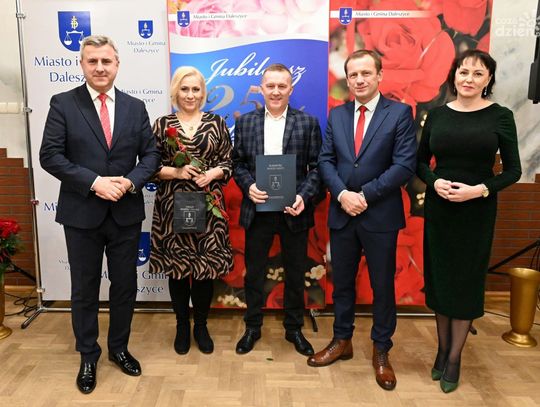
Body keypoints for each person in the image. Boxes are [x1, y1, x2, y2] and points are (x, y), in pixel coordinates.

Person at [39, 35, 160, 394]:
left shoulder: (135, 107)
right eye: (92, 61)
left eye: (106, 61)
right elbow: (50, 155)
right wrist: (94, 183)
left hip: (125, 213)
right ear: (82, 65)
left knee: (124, 286)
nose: (100, 67)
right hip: (82, 214)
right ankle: (88, 355)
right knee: (85, 288)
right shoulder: (63, 103)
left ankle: (119, 348)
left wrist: (130, 182)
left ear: (117, 64)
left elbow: (151, 156)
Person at [309, 50, 417, 391]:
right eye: (353, 74)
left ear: (379, 75)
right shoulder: (337, 115)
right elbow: (325, 161)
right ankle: (342, 340)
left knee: (382, 286)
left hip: (380, 215)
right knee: (342, 283)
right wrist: (343, 194)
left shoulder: (399, 114)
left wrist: (364, 195)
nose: (359, 80)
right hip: (343, 213)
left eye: (366, 73)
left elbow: (404, 165)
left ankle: (381, 350)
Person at [416, 49, 521, 393]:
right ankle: (441, 349)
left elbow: (513, 171)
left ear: (488, 79)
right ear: (454, 75)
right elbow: (420, 163)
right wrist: (434, 182)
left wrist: (480, 190)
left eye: (478, 74)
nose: (469, 79)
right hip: (440, 209)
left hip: (476, 212)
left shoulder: (500, 116)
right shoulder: (437, 115)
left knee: (465, 282)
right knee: (441, 279)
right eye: (464, 72)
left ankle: (454, 358)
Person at [232, 63, 322, 356]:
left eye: (282, 86)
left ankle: (294, 328)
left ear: (290, 89)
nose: (275, 91)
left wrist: (303, 197)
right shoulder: (246, 123)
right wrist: (248, 186)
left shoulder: (307, 123)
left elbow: (317, 167)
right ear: (261, 88)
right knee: (254, 272)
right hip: (258, 209)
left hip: (293, 210)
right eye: (270, 85)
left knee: (295, 272)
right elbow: (237, 164)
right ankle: (252, 326)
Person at [149, 66, 233, 355]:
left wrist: (212, 174)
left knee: (204, 270)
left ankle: (201, 325)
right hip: (172, 207)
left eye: (196, 89)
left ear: (203, 92)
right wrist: (176, 171)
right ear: (176, 91)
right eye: (184, 89)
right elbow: (149, 167)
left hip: (209, 208)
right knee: (177, 269)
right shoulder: (162, 125)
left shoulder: (217, 123)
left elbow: (229, 163)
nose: (190, 95)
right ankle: (182, 325)